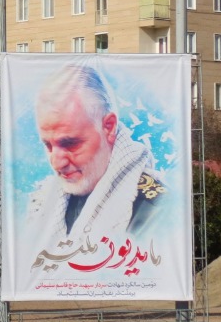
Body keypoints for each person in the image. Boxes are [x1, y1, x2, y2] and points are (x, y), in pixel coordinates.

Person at [23, 65, 170, 273]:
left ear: (108, 127)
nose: (57, 162)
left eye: (70, 143)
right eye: (48, 145)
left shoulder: (155, 210)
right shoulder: (43, 201)